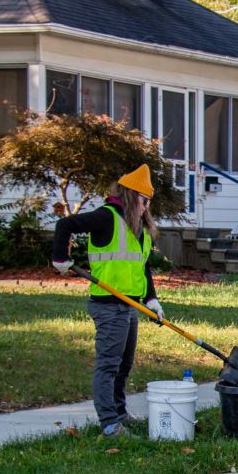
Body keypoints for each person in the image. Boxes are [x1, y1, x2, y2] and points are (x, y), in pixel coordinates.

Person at [51, 164, 164, 438]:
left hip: (130, 304)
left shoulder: (139, 229)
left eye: (149, 202)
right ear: (130, 195)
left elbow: (142, 268)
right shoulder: (106, 217)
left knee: (124, 365)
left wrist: (151, 299)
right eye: (144, 200)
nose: (147, 206)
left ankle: (120, 412)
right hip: (107, 304)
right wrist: (60, 257)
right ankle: (110, 424)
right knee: (109, 364)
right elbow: (65, 224)